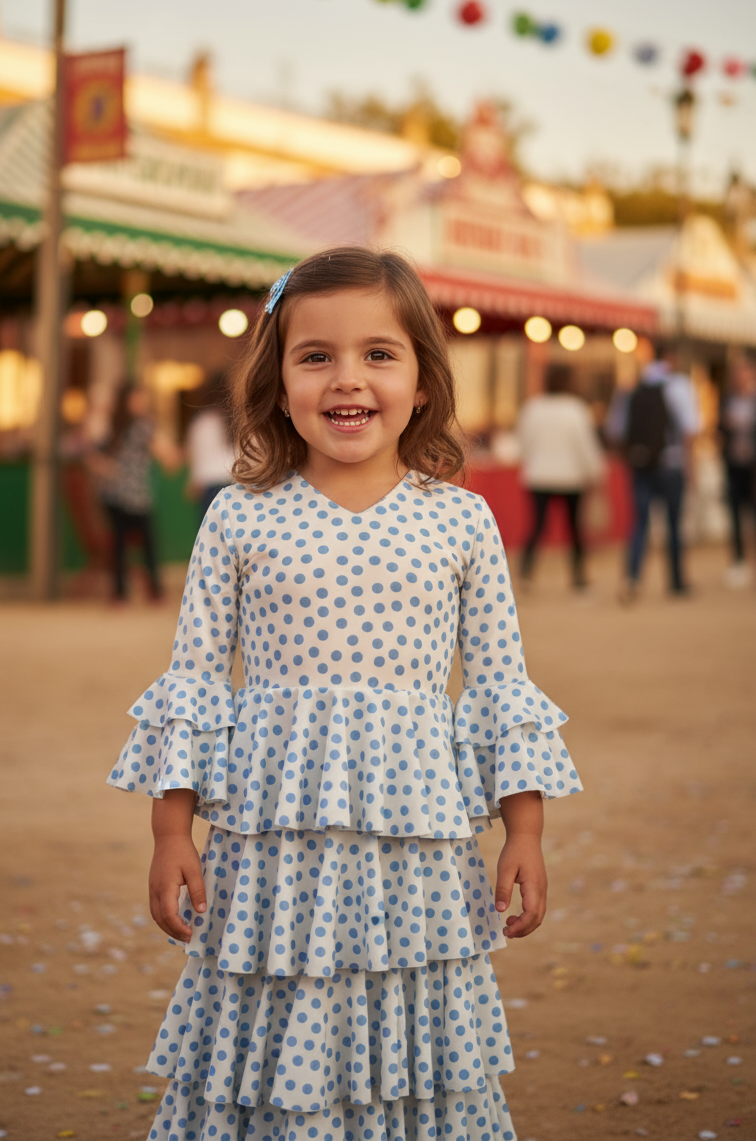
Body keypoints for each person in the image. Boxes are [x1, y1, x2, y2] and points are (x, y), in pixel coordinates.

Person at [107, 248, 582, 1141]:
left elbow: (498, 688)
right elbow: (198, 682)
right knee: (271, 1027)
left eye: (378, 353)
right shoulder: (239, 516)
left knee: (410, 1032)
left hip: (418, 854)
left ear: (423, 381)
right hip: (267, 860)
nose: (346, 379)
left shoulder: (461, 520)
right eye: (315, 355)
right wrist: (172, 831)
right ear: (278, 382)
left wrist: (525, 829)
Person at [608, 342, 701, 600]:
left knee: (639, 523)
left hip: (640, 465)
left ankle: (633, 577)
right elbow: (689, 430)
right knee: (673, 523)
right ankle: (676, 580)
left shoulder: (630, 387)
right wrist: (691, 468)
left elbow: (615, 432)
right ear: (671, 356)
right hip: (671, 464)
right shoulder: (679, 386)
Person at [92, 381, 181, 603]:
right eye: (137, 397)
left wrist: (107, 468)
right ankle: (154, 592)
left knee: (122, 545)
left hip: (116, 495)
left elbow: (91, 454)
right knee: (144, 545)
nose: (141, 402)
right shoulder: (140, 426)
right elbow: (167, 455)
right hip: (132, 496)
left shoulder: (116, 424)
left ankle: (122, 595)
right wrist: (172, 456)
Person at [518, 364, 604, 589]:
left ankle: (525, 575)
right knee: (575, 529)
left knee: (537, 527)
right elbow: (586, 446)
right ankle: (578, 579)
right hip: (571, 477)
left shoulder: (532, 408)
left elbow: (524, 443)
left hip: (538, 476)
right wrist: (595, 472)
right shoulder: (575, 409)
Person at [719, 356, 756, 586]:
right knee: (735, 516)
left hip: (753, 466)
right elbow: (718, 429)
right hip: (733, 466)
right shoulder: (727, 401)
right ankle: (739, 562)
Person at [185, 372, 236, 527]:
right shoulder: (238, 421)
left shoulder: (201, 422)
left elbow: (196, 455)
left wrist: (193, 481)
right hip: (235, 482)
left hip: (210, 487)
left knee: (212, 542)